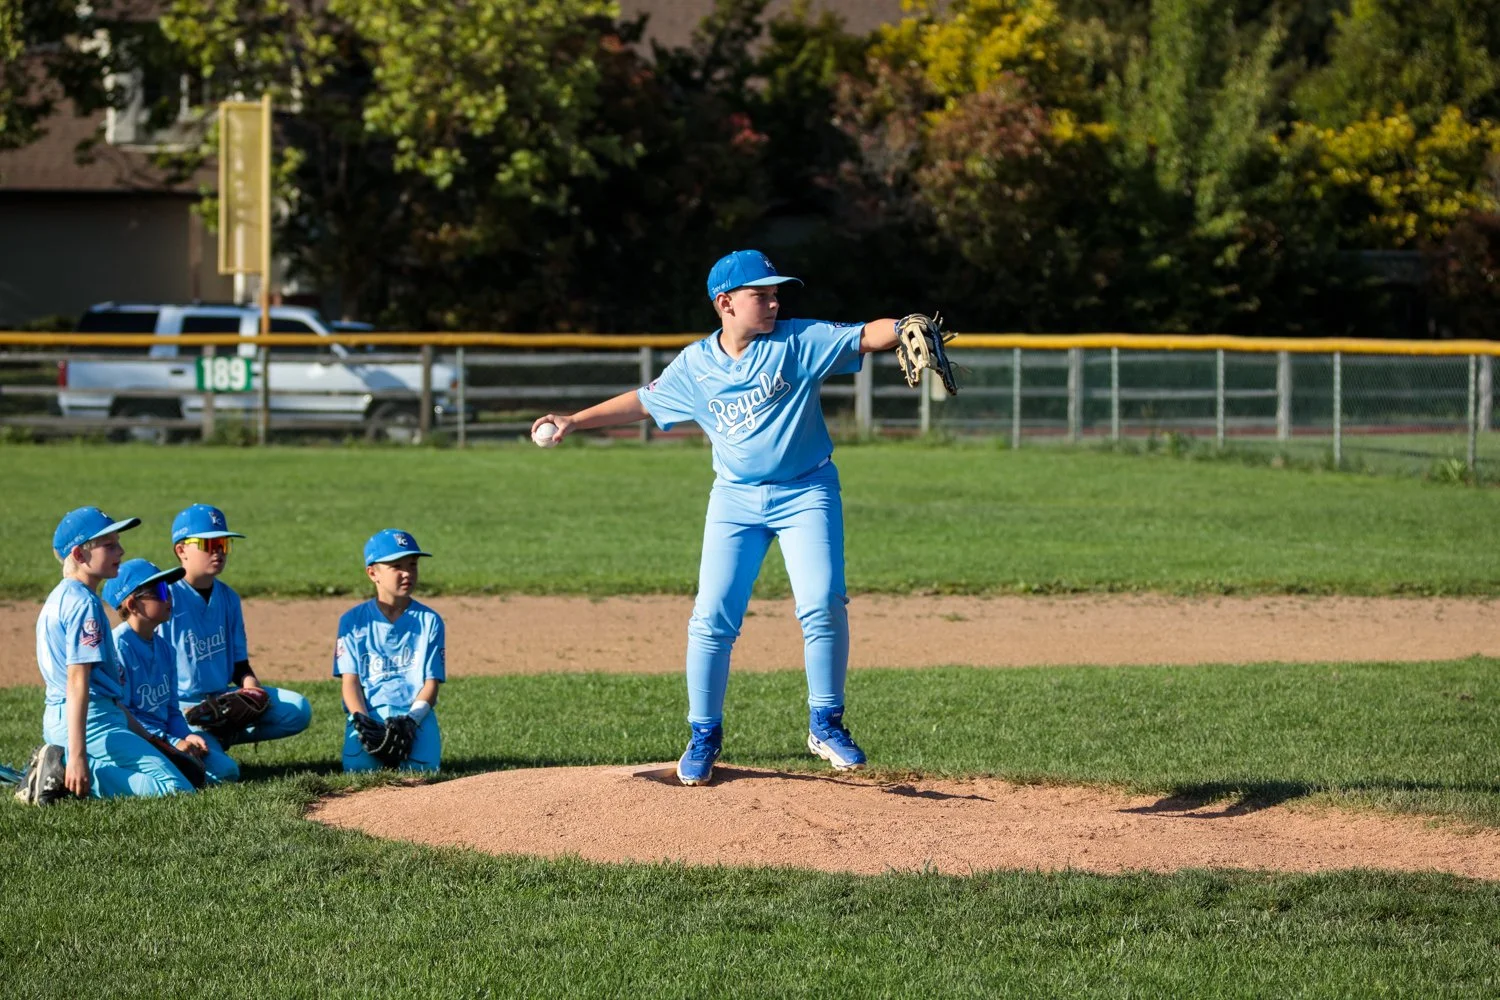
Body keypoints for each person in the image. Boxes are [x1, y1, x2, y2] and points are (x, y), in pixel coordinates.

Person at [531, 249, 909, 786]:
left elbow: (865, 335)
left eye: (777, 292)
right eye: (763, 294)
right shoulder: (695, 366)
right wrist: (575, 419)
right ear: (725, 303)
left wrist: (902, 326)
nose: (775, 301)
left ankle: (825, 723)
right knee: (712, 618)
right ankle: (703, 735)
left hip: (808, 492)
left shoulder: (797, 340)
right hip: (734, 501)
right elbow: (642, 400)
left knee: (823, 602)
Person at [29, 507, 195, 801]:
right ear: (79, 555)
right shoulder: (84, 604)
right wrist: (77, 756)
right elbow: (78, 682)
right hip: (90, 721)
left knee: (176, 770)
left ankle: (62, 767)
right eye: (109, 545)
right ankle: (60, 767)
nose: (121, 550)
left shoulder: (60, 597)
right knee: (177, 788)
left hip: (74, 718)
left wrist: (151, 740)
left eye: (117, 542)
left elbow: (104, 694)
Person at [160, 504, 312, 761]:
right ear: (181, 550)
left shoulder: (228, 597)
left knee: (297, 710)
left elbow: (239, 664)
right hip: (183, 708)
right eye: (209, 544)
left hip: (223, 699)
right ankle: (206, 739)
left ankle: (222, 734)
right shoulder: (164, 596)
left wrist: (250, 689)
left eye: (224, 544)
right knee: (223, 773)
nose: (218, 551)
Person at [105, 558, 238, 785]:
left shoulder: (165, 648)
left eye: (168, 590)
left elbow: (171, 708)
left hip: (167, 736)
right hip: (139, 739)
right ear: (132, 604)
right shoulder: (118, 647)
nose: (169, 597)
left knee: (227, 771)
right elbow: (123, 713)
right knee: (192, 780)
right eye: (159, 591)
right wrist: (171, 742)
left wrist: (186, 735)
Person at [335, 529, 445, 771]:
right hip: (370, 713)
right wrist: (361, 720)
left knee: (423, 770)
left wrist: (411, 721)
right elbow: (350, 682)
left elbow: (431, 685)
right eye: (396, 566)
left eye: (413, 565)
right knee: (359, 771)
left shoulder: (430, 621)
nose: (407, 573)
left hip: (416, 716)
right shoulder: (352, 622)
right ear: (373, 573)